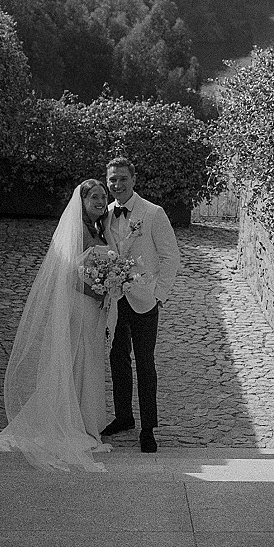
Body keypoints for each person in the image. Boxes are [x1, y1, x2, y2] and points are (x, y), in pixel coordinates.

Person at [0, 180, 113, 472]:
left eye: (104, 197)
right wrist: (98, 289)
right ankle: (69, 421)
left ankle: (81, 418)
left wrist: (109, 284)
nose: (101, 201)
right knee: (77, 358)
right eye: (94, 197)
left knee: (86, 360)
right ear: (82, 200)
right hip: (80, 302)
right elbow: (68, 273)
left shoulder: (97, 229)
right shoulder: (77, 229)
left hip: (93, 306)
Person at [101, 157, 181, 453]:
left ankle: (148, 428)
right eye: (112, 180)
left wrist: (159, 294)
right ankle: (123, 417)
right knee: (117, 359)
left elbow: (171, 257)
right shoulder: (105, 214)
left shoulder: (152, 213)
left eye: (122, 178)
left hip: (145, 301)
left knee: (145, 363)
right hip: (114, 300)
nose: (117, 185)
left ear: (133, 179)